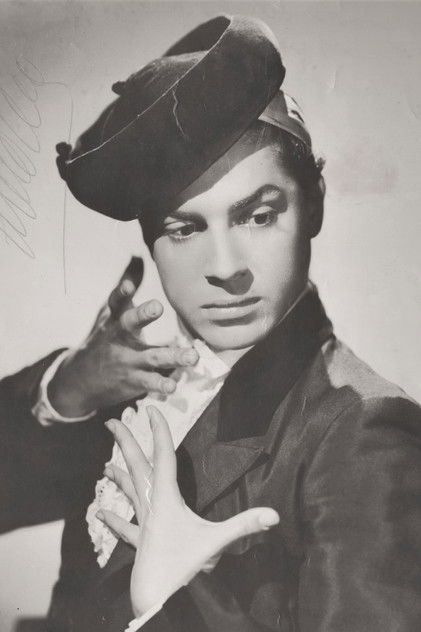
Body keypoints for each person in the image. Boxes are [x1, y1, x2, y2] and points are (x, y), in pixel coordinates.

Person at [1, 14, 421, 632]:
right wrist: (65, 391)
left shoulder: (363, 430)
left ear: (314, 205)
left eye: (258, 216)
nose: (225, 268)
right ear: (151, 241)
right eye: (184, 228)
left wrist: (167, 605)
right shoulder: (133, 391)